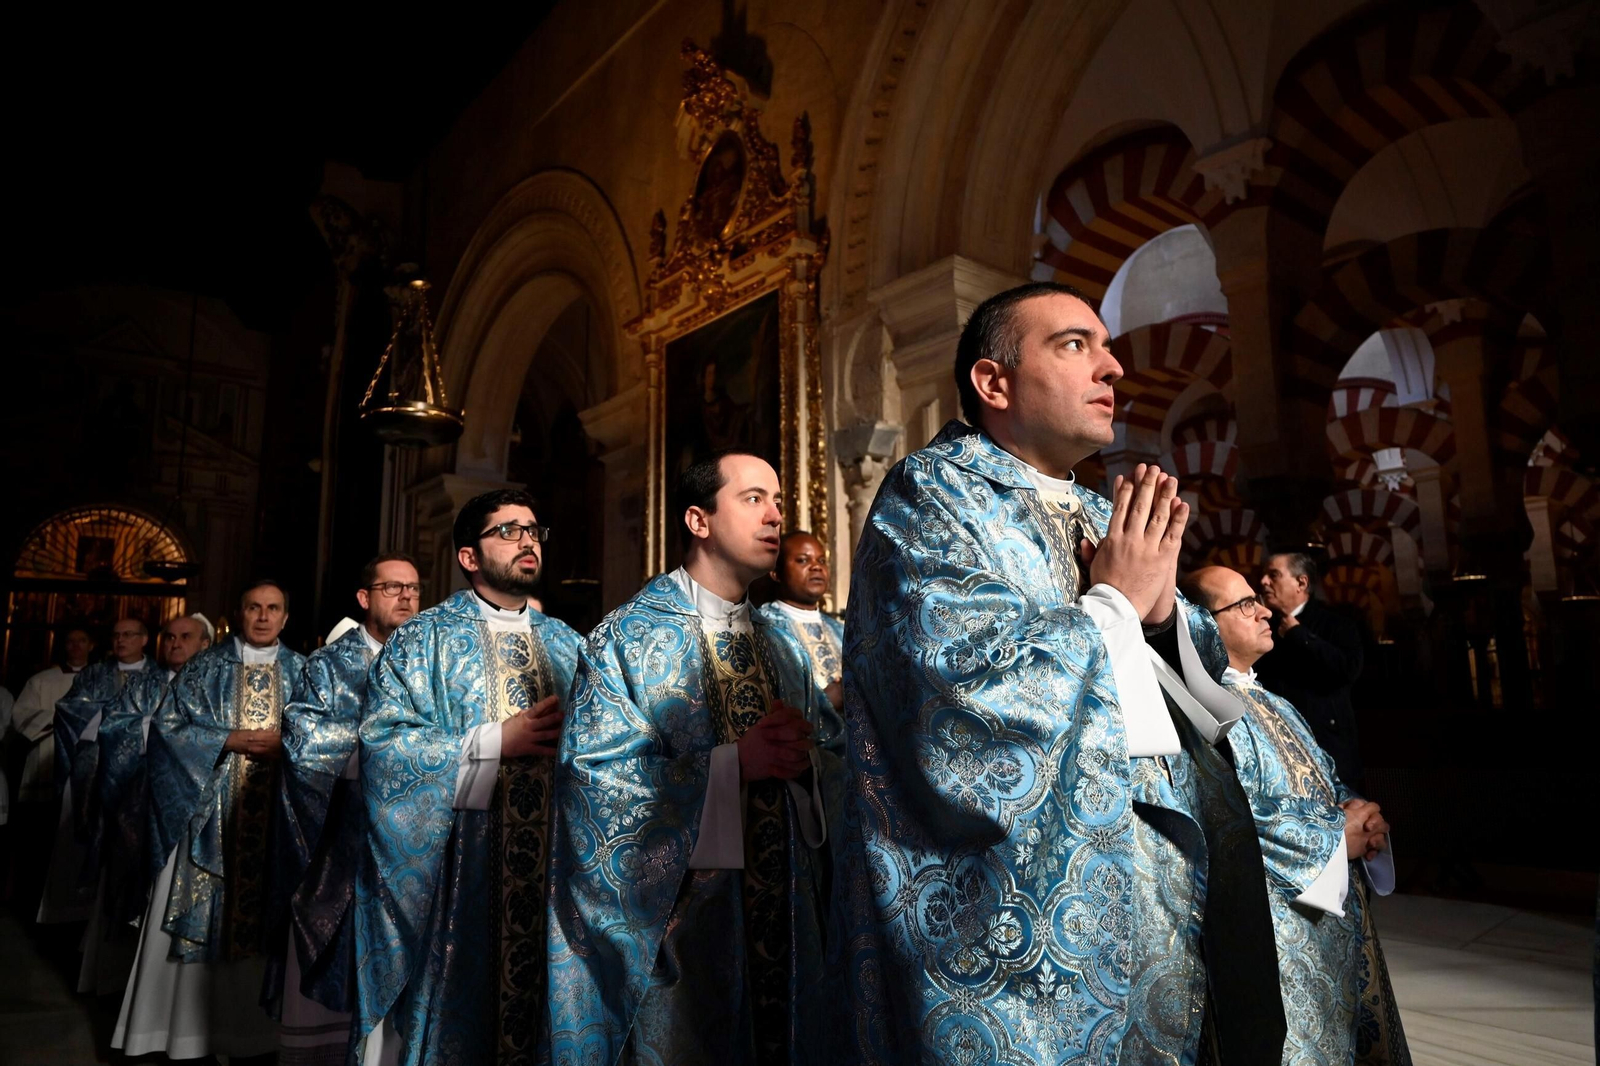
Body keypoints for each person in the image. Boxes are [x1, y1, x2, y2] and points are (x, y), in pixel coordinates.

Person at [830, 281, 1281, 1064]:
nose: (1111, 369)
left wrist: (1166, 613)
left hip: (1164, 878)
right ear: (993, 382)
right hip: (1030, 903)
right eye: (1075, 345)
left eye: (1106, 347)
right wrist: (1111, 603)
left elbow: (1204, 673)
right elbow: (958, 704)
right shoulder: (931, 497)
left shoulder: (1102, 512)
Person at [548, 451, 840, 1065]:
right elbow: (593, 783)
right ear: (698, 520)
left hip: (788, 928)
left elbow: (832, 754)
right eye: (754, 498)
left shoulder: (781, 645)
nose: (775, 517)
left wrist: (809, 763)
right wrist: (734, 766)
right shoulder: (627, 638)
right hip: (685, 940)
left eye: (779, 502)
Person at [353, 491, 582, 1065]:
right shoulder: (423, 639)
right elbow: (383, 746)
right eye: (508, 531)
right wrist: (494, 743)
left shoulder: (572, 644)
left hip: (552, 875)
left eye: (533, 530)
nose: (528, 540)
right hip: (459, 876)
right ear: (469, 557)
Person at [1182, 565, 1410, 1064]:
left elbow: (1324, 778)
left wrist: (1361, 816)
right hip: (1282, 935)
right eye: (1244, 604)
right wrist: (1334, 839)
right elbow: (1233, 821)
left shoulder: (1275, 702)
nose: (1264, 610)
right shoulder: (1204, 713)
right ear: (1200, 622)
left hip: (1336, 922)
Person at [114, 580, 305, 1061]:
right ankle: (184, 1035)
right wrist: (228, 739)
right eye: (253, 607)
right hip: (208, 819)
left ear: (286, 617)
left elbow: (326, 734)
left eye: (273, 608)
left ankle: (255, 1039)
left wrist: (291, 745)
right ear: (237, 614)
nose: (263, 616)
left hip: (278, 822)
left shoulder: (305, 671)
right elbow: (168, 730)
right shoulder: (204, 666)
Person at [273, 553, 419, 1064]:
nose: (405, 597)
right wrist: (396, 756)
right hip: (345, 845)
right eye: (392, 588)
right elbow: (304, 742)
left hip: (415, 846)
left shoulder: (430, 662)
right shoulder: (328, 665)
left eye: (414, 589)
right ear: (364, 598)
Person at [84, 614, 212, 996]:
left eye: (186, 637)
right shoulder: (143, 684)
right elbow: (113, 729)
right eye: (169, 637)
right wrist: (164, 736)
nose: (175, 644)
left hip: (198, 808)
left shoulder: (217, 686)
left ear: (205, 644)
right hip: (140, 801)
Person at [41, 617, 153, 925]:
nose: (120, 640)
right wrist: (107, 720)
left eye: (128, 635)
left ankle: (119, 909)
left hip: (137, 767)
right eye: (116, 635)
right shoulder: (94, 673)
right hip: (92, 761)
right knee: (77, 830)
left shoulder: (157, 675)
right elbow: (68, 708)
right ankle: (70, 911)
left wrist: (125, 728)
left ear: (144, 639)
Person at [1257, 552, 1368, 789]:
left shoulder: (1336, 623)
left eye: (1273, 575)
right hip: (1281, 755)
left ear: (1302, 583)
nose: (1264, 581)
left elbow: (1347, 669)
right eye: (1264, 575)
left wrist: (1299, 635)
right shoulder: (1264, 628)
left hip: (1330, 751)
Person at [10, 626, 94, 906]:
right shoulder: (42, 680)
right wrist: (66, 717)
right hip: (46, 762)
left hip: (88, 767)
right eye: (71, 641)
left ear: (91, 645)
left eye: (81, 641)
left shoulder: (101, 679)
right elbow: (21, 717)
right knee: (40, 841)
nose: (76, 646)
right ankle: (33, 900)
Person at [756, 529, 844, 709]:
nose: (816, 566)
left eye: (821, 561)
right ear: (776, 573)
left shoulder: (840, 629)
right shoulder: (762, 628)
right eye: (803, 560)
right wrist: (825, 702)